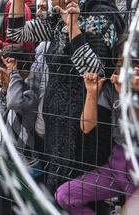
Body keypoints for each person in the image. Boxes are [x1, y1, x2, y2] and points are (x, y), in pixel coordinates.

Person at [7, 0, 124, 193]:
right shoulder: (56, 20)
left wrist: (73, 27)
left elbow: (95, 73)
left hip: (83, 129)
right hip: (54, 126)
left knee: (74, 196)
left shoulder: (101, 19)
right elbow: (16, 33)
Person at [55, 36, 139, 214]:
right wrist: (92, 93)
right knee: (66, 195)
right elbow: (87, 126)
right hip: (118, 161)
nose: (125, 68)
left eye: (131, 62)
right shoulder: (112, 87)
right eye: (121, 62)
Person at [0, 45, 41, 214]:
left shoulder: (29, 94)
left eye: (2, 71)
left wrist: (13, 75)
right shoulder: (1, 94)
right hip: (3, 165)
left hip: (26, 167)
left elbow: (15, 102)